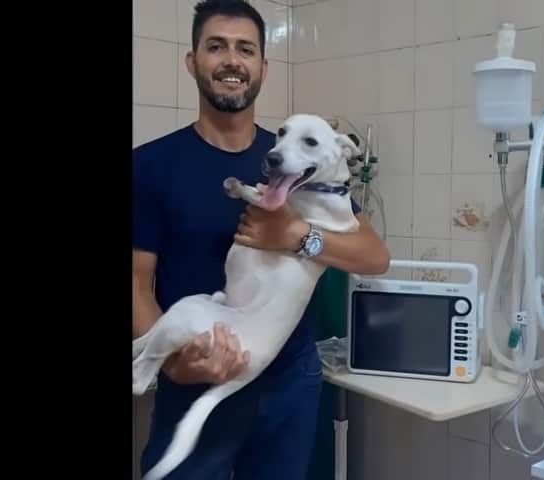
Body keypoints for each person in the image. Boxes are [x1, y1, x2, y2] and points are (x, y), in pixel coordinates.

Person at [131, 1, 390, 478]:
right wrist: (172, 364)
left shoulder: (300, 162)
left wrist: (297, 236)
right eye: (216, 46)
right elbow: (136, 284)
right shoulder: (149, 166)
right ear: (192, 62)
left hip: (289, 384)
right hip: (195, 373)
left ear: (262, 68)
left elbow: (374, 256)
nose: (232, 60)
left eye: (245, 49)